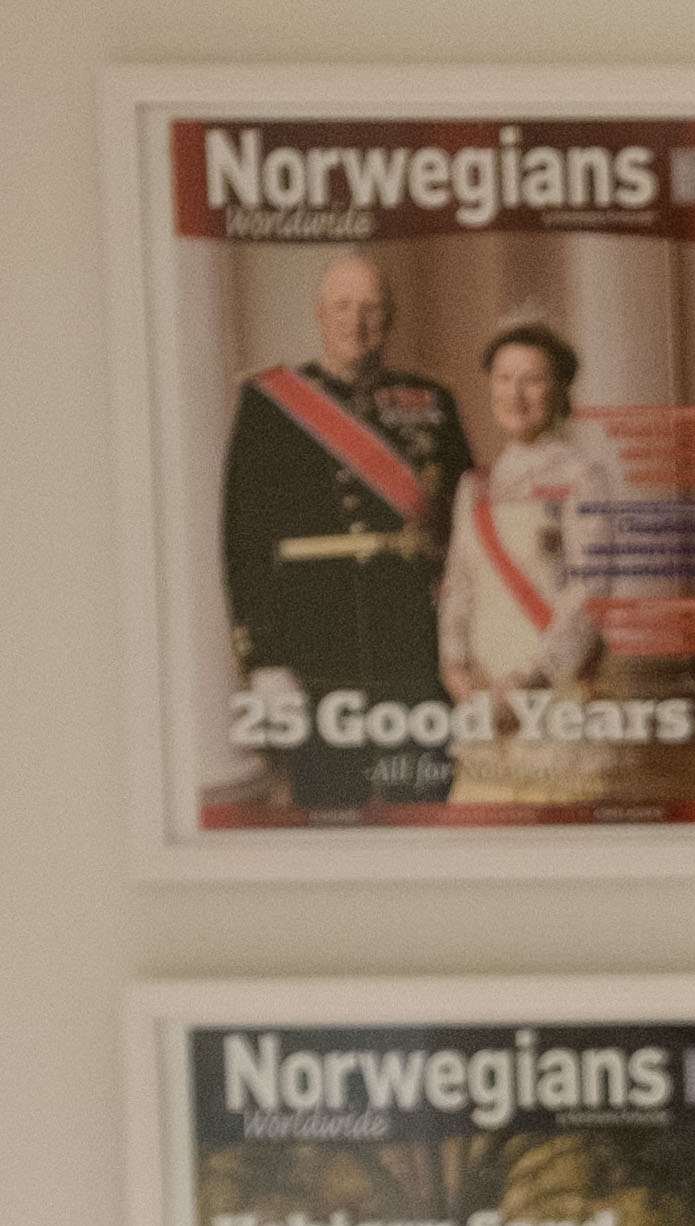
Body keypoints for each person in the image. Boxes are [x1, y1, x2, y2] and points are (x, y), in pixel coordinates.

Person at [220, 248, 470, 812]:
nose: (357, 323)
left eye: (372, 309)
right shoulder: (268, 404)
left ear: (392, 317)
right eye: (343, 307)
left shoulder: (433, 402)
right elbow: (243, 536)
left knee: (423, 793)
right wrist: (262, 657)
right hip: (312, 635)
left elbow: (465, 526)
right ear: (320, 314)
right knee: (329, 803)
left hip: (412, 634)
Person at [438, 322, 608, 711]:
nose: (515, 394)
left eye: (532, 380)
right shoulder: (475, 486)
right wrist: (457, 669)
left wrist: (529, 683)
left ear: (559, 390)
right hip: (482, 697)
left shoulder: (581, 478)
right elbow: (459, 586)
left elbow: (589, 593)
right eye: (504, 379)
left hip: (550, 694)